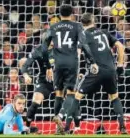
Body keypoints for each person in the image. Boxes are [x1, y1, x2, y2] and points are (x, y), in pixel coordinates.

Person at [66, 13, 127, 134]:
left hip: (95, 70)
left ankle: (66, 128)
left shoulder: (82, 35)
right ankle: (123, 127)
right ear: (93, 20)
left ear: (81, 23)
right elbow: (120, 46)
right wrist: (119, 65)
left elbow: (77, 55)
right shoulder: (104, 32)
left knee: (77, 96)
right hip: (110, 70)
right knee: (114, 97)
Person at [41, 4, 98, 134]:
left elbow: (44, 48)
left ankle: (58, 129)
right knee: (71, 93)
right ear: (72, 13)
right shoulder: (77, 26)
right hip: (72, 63)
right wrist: (92, 62)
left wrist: (48, 67)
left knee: (59, 94)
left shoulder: (53, 27)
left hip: (58, 64)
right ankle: (60, 116)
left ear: (59, 13)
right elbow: (83, 44)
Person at [21, 42, 54, 127]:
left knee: (71, 98)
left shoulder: (61, 47)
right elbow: (25, 65)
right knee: (35, 102)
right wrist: (26, 75)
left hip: (59, 79)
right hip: (44, 80)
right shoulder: (38, 50)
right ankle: (27, 126)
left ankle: (71, 127)